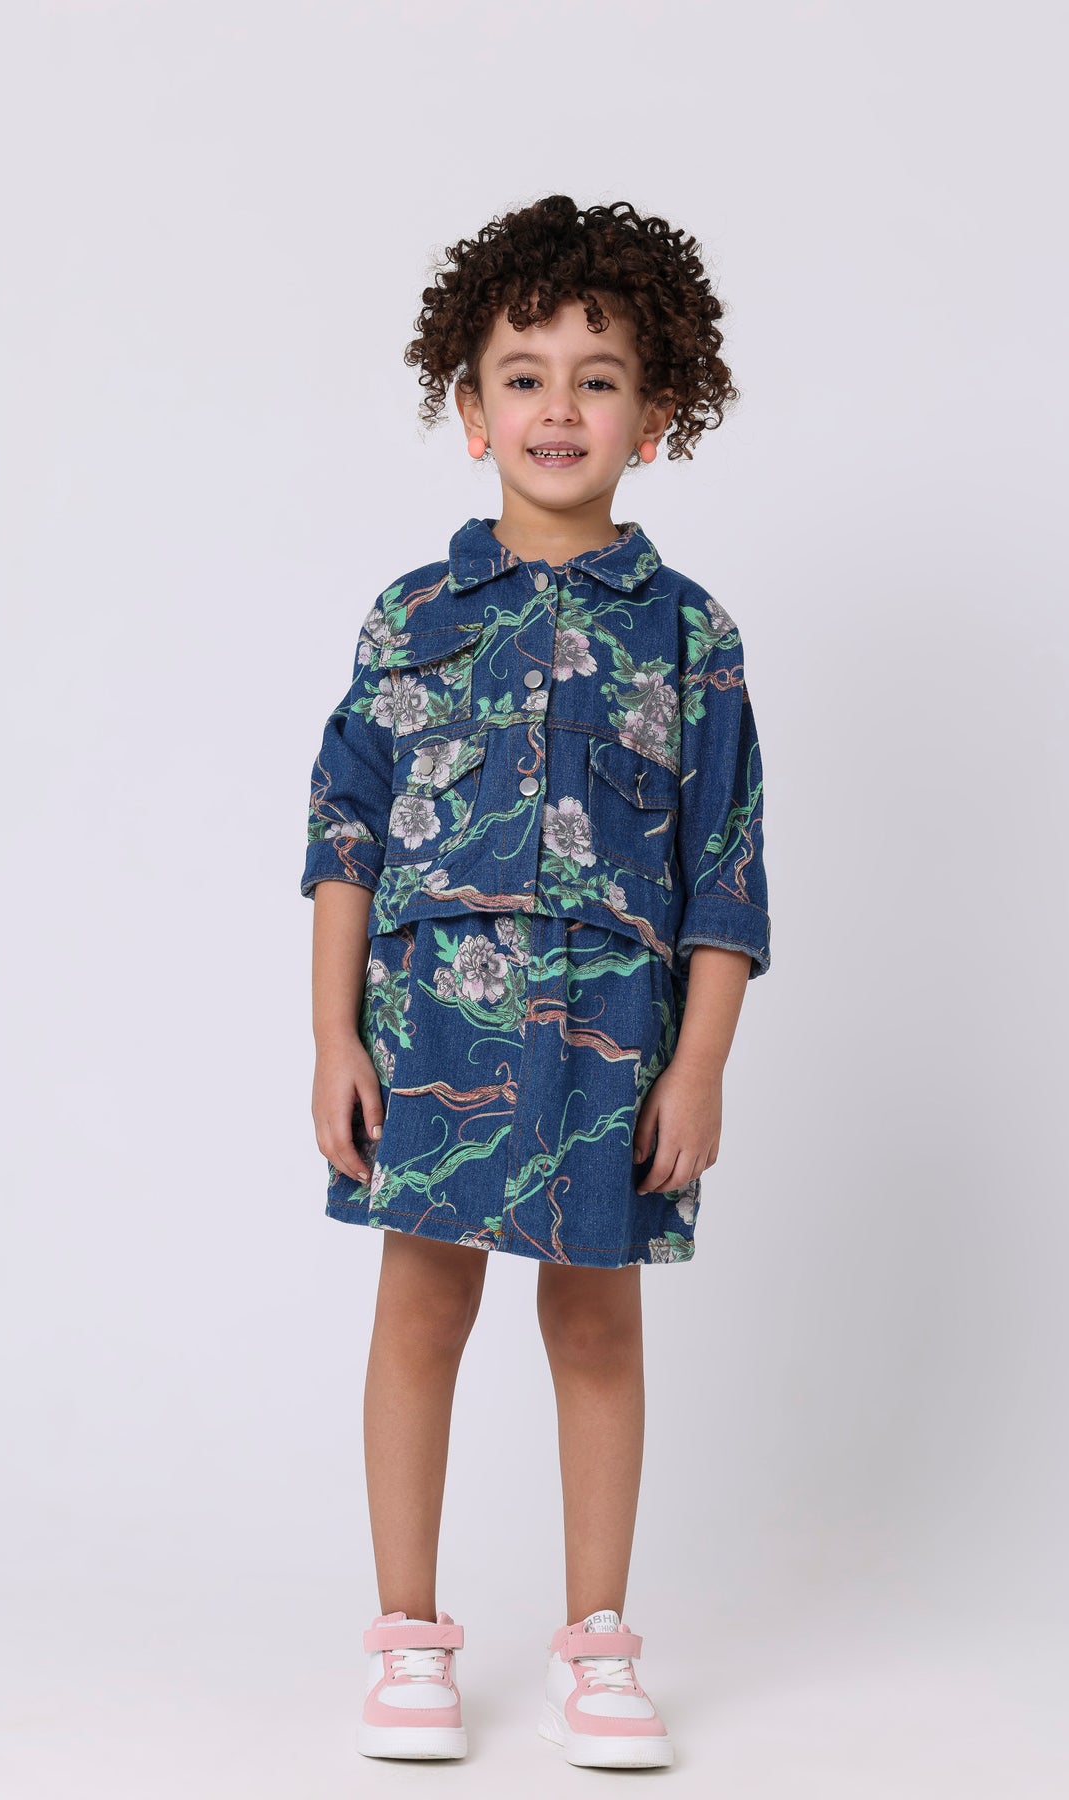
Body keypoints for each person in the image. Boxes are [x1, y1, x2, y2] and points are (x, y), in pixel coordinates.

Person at [300, 194, 772, 1769]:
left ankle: (599, 1646)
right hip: (431, 1027)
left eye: (598, 377)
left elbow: (728, 874)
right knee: (421, 1306)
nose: (558, 406)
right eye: (524, 375)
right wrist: (333, 1039)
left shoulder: (693, 639)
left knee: (597, 1324)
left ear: (657, 417)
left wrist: (699, 1066)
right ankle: (409, 1637)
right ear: (469, 408)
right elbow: (345, 836)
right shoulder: (410, 619)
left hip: (613, 1044)